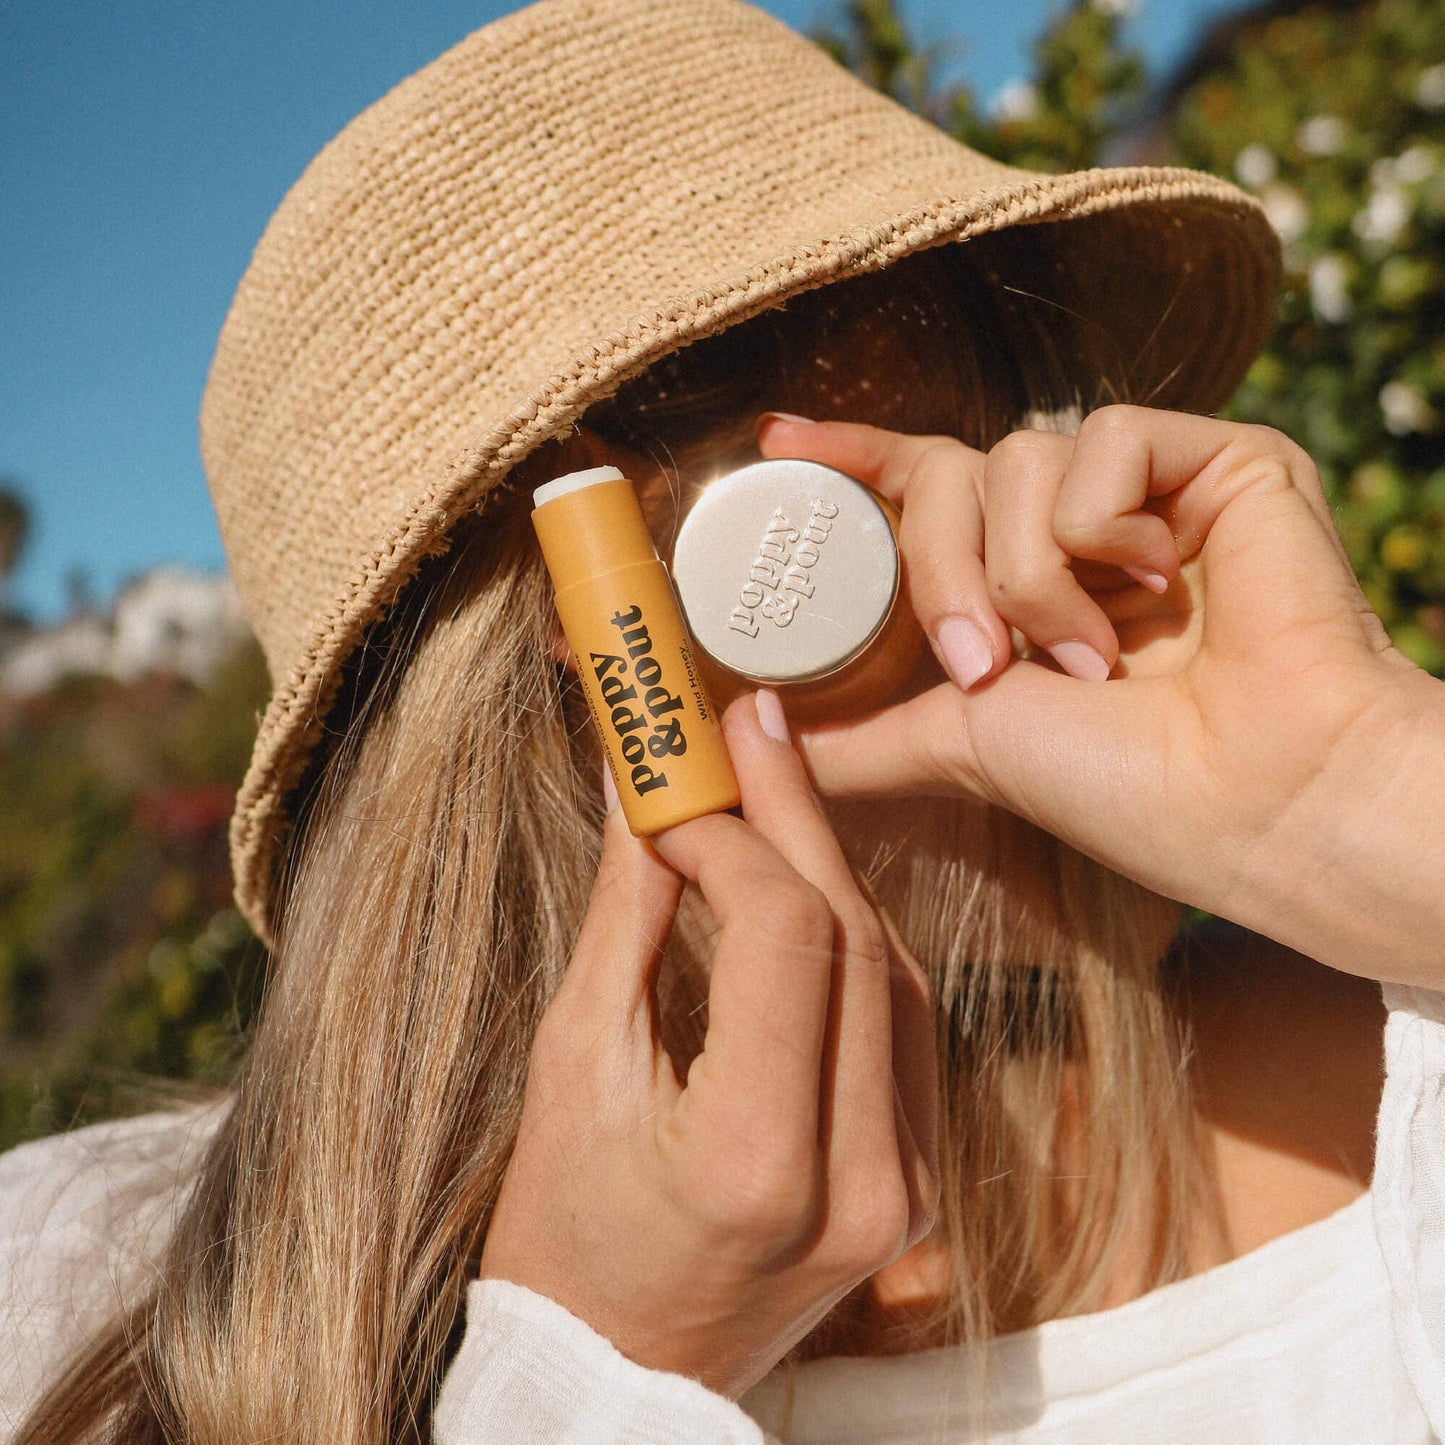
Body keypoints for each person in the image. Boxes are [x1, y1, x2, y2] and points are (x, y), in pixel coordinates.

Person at [3, 0, 1443, 1440]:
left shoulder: (1399, 1076)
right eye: (853, 521)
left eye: (1022, 419)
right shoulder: (61, 1278)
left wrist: (1364, 799)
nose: (1041, 539)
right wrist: (596, 1377)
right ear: (587, 634)